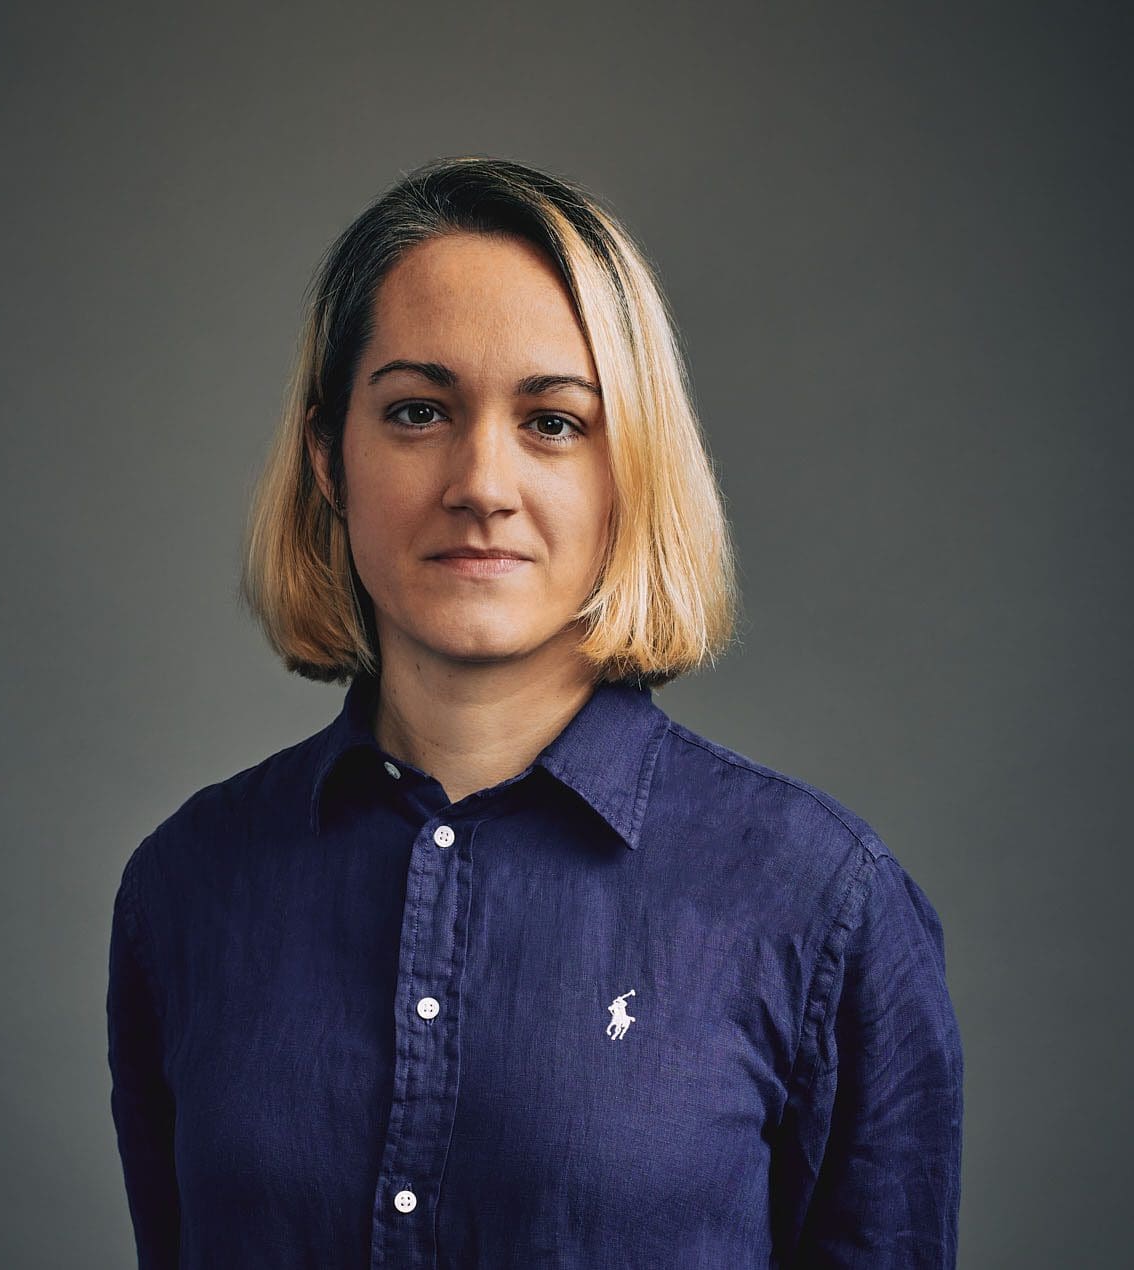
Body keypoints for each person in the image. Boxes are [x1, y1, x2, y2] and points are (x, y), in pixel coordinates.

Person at [107, 155, 964, 1268]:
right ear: (328, 456)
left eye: (554, 422)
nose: (481, 482)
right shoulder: (187, 886)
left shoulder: (821, 905)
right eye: (417, 411)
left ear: (631, 466)